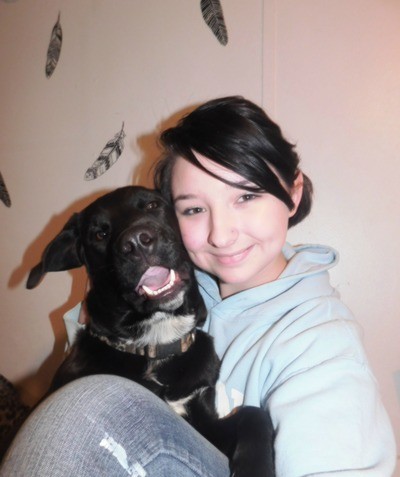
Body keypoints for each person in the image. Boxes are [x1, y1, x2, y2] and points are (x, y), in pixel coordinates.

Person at [0, 96, 396, 476]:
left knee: (84, 408)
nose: (221, 234)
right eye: (193, 209)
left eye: (246, 195)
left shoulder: (321, 344)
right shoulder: (184, 289)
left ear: (293, 193)